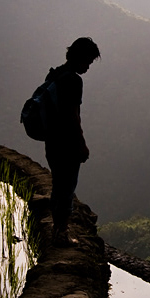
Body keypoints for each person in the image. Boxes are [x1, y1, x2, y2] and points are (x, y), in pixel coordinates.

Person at [44, 37, 101, 243]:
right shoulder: (73, 80)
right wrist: (81, 144)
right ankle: (62, 233)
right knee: (67, 187)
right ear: (80, 57)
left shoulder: (55, 74)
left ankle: (57, 230)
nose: (88, 66)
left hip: (51, 140)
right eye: (88, 61)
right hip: (66, 142)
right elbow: (72, 115)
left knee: (58, 184)